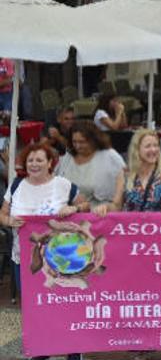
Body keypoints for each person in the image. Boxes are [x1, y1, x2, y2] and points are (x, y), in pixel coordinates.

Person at [1, 143, 85, 360]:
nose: (34, 164)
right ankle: (41, 351)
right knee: (35, 311)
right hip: (24, 261)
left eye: (39, 160)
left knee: (65, 308)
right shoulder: (16, 185)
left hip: (61, 261)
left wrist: (74, 208)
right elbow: (2, 214)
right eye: (30, 160)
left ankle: (73, 352)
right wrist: (9, 220)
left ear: (50, 163)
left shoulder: (63, 185)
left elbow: (87, 206)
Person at [93, 128, 161, 215]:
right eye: (148, 146)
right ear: (137, 150)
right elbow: (116, 206)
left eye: (156, 145)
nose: (153, 150)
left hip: (156, 227)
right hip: (129, 227)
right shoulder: (125, 174)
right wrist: (106, 207)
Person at [55, 121, 125, 208]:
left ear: (94, 139)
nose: (77, 146)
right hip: (67, 212)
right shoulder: (67, 157)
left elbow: (123, 184)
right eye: (74, 142)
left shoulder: (110, 156)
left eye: (82, 142)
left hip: (99, 213)